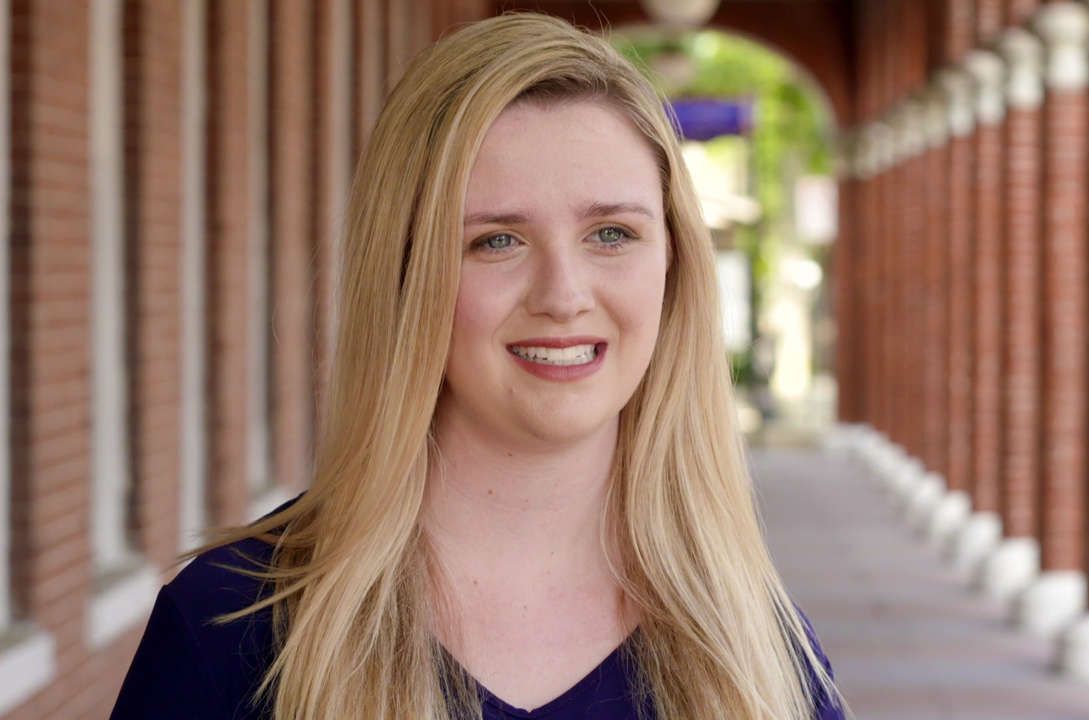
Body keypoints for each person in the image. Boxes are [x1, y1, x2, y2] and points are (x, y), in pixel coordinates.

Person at [110, 12, 848, 720]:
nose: (563, 295)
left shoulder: (756, 656)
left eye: (612, 233)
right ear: (405, 277)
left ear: (674, 266)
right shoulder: (230, 628)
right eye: (496, 241)